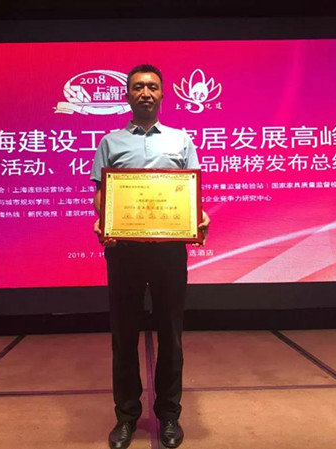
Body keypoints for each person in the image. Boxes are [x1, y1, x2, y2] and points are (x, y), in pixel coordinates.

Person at [91, 64, 210, 449]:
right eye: (138, 87)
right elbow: (101, 194)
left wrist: (200, 217)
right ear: (127, 95)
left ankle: (169, 415)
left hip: (169, 253)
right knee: (123, 336)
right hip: (124, 253)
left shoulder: (181, 139)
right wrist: (103, 219)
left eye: (153, 87)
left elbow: (191, 194)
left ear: (162, 94)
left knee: (171, 336)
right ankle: (126, 416)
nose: (146, 92)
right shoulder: (110, 142)